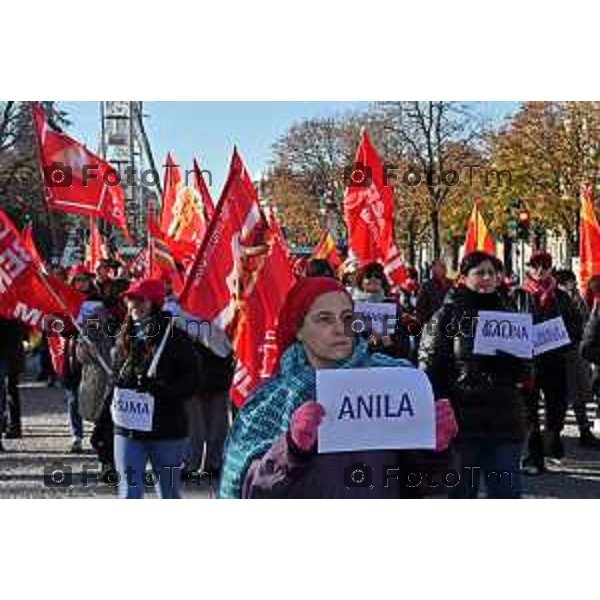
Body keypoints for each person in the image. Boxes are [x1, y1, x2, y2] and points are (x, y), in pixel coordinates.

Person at [219, 276, 457, 499]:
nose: (340, 329)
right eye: (324, 319)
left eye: (347, 318)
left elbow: (426, 484)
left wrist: (434, 451)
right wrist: (290, 450)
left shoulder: (394, 383)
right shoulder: (273, 399)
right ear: (298, 330)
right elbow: (251, 491)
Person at [419, 252, 530, 498]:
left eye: (492, 273)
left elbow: (527, 369)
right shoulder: (447, 316)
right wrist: (439, 412)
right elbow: (429, 367)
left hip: (505, 422)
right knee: (462, 495)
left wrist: (514, 363)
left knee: (506, 495)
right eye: (479, 273)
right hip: (463, 427)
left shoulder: (510, 312)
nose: (487, 278)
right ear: (463, 277)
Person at [111, 279, 201, 499]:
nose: (133, 304)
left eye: (140, 299)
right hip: (128, 429)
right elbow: (115, 376)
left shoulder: (175, 337)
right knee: (129, 494)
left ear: (155, 303)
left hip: (166, 429)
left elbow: (194, 379)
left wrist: (162, 390)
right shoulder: (124, 335)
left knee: (168, 494)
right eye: (130, 298)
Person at [512, 252, 584, 473]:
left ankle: (551, 439)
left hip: (555, 360)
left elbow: (575, 325)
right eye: (535, 266)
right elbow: (508, 324)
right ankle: (533, 457)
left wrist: (565, 342)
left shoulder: (561, 297)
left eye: (544, 266)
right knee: (530, 411)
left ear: (551, 269)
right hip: (528, 363)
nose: (540, 270)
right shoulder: (517, 295)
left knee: (557, 408)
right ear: (529, 268)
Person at [554, 269, 600, 447]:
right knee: (561, 397)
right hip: (557, 353)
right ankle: (554, 435)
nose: (572, 284)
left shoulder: (573, 298)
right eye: (569, 281)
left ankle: (584, 430)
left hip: (573, 348)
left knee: (578, 394)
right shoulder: (557, 298)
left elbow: (580, 322)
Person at [352, 262, 411, 360]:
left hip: (388, 361)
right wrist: (368, 343)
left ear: (382, 281)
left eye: (377, 276)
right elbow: (348, 341)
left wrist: (390, 342)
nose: (373, 279)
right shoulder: (352, 306)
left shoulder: (393, 306)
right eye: (368, 276)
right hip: (361, 364)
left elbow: (404, 340)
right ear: (361, 281)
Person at [415, 260, 453, 327]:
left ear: (445, 270)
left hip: (449, 322)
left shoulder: (451, 284)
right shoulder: (427, 286)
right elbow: (420, 307)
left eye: (441, 268)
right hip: (432, 323)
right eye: (435, 269)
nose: (437, 271)